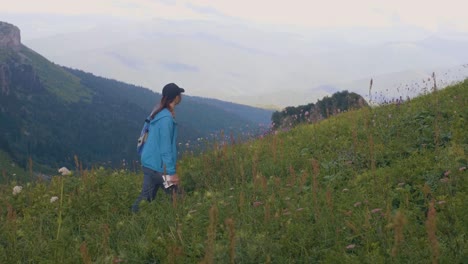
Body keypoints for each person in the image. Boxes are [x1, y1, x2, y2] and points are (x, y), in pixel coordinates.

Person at [132, 83, 185, 212]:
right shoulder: (166, 118)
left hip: (148, 162)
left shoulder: (157, 112)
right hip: (160, 168)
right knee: (179, 198)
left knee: (146, 197)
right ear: (176, 97)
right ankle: (178, 222)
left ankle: (132, 217)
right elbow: (165, 148)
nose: (181, 97)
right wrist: (171, 173)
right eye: (180, 94)